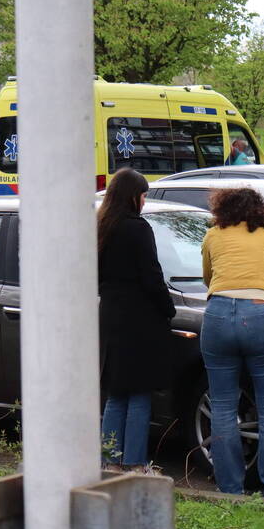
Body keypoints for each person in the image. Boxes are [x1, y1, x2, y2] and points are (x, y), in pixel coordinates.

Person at [200, 187, 264, 500]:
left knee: (222, 406)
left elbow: (208, 278)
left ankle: (230, 487)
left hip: (217, 315)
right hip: (260, 315)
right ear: (261, 210)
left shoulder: (213, 237)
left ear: (223, 210)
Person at [97, 168, 176, 470]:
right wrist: (168, 309)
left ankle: (109, 460)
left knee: (117, 392)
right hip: (139, 319)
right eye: (143, 195)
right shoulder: (138, 228)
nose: (144, 201)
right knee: (140, 393)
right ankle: (135, 462)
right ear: (133, 196)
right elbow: (152, 276)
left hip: (111, 313)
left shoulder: (102, 226)